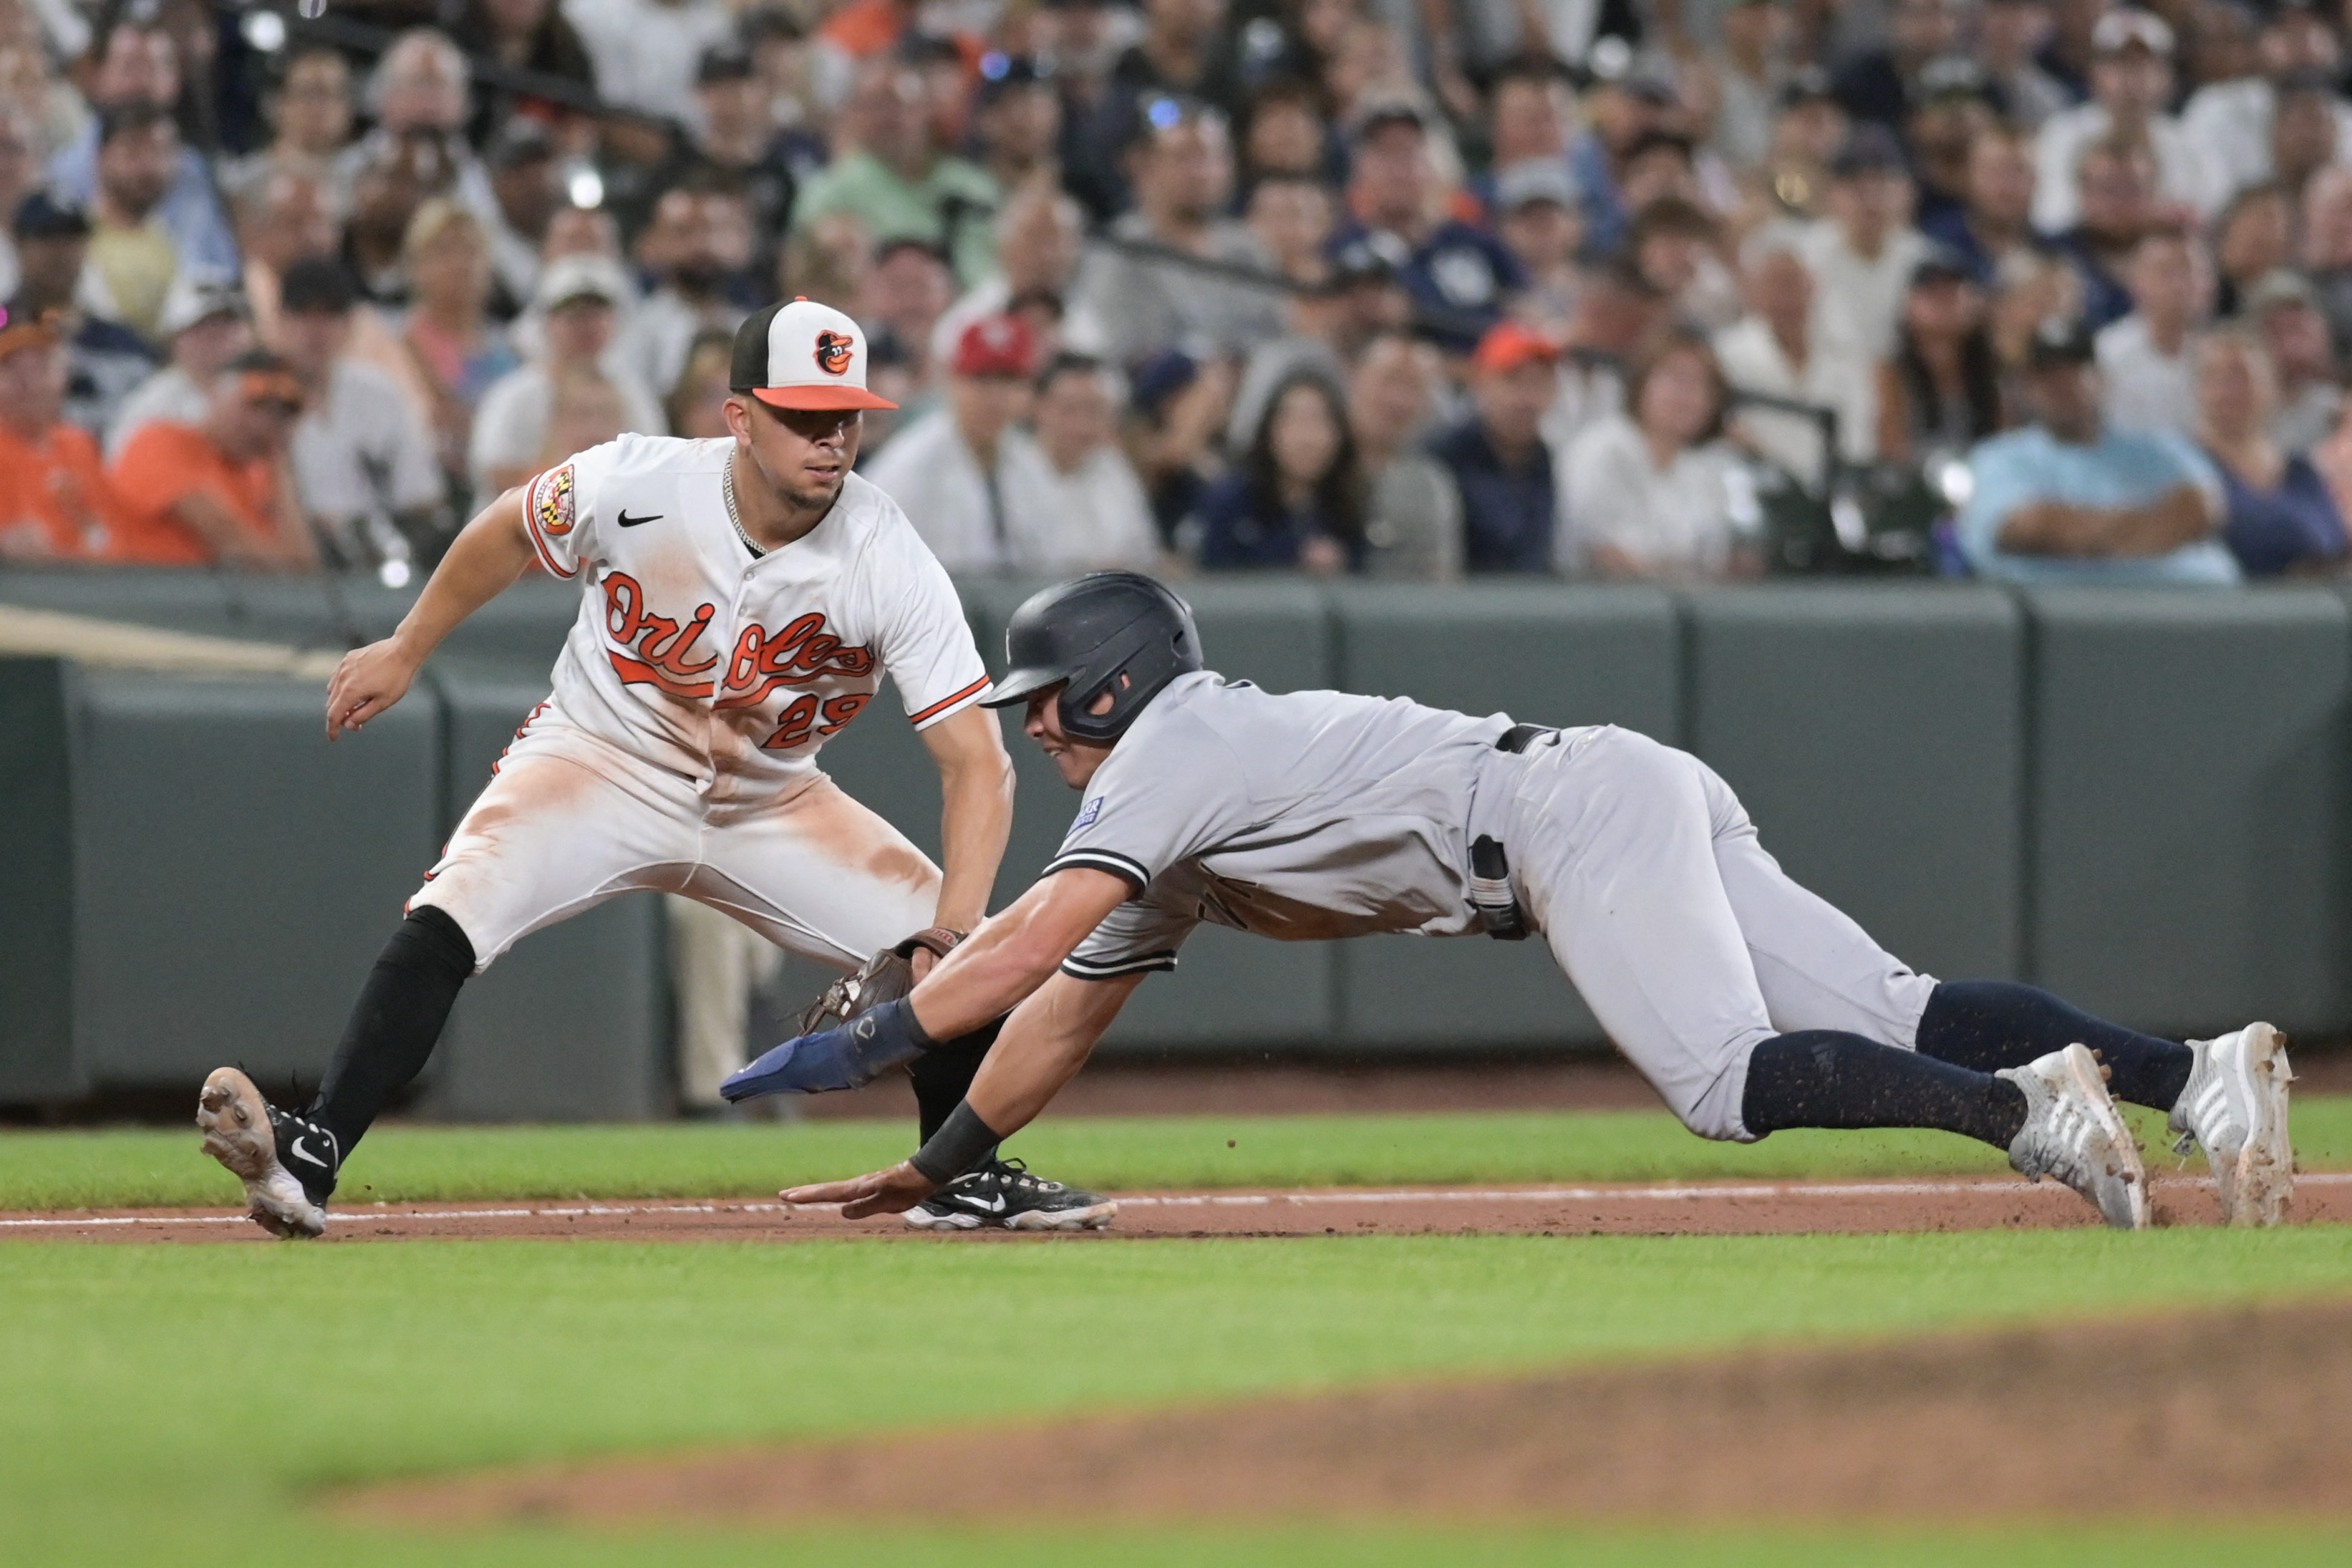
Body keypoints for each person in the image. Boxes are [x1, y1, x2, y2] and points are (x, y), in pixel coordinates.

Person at [750, 571, 2297, 1237]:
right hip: (1600, 788)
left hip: (1559, 820)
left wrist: (861, 1045)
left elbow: (1015, 941)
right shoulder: (1171, 801)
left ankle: (2022, 1114)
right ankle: (2189, 1076)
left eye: (1045, 703)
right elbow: (1062, 1007)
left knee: (1719, 1082)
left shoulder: (1172, 747)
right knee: (1887, 1012)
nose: (1031, 728)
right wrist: (939, 1159)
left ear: (1113, 684)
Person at [193, 298, 1111, 1241]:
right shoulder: (638, 480)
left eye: (846, 417)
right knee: (455, 909)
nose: (830, 440)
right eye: (803, 416)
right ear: (741, 416)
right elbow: (509, 527)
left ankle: (960, 1176)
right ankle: (314, 1156)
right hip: (600, 758)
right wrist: (407, 643)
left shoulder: (886, 556)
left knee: (981, 960)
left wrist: (950, 937)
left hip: (770, 798)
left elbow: (978, 765)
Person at [1957, 316, 2238, 584]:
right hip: (2061, 618)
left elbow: (2202, 510)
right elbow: (2025, 528)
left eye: (2075, 372)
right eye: (2047, 377)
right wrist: (2153, 529)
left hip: (2182, 613)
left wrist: (2084, 539)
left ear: (2102, 379)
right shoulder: (2000, 457)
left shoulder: (2158, 448)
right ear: (2028, 387)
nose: (2062, 386)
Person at [1069, 97, 1284, 366]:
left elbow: (1274, 336)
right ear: (1146, 166)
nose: (1201, 172)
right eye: (1185, 157)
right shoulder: (1120, 250)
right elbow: (1118, 348)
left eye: (1213, 157)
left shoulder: (1247, 249)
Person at [274, 257, 450, 574]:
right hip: (291, 560)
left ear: (349, 324)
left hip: (378, 556)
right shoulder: (256, 397)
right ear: (281, 322)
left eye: (329, 315)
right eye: (303, 315)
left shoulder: (379, 394)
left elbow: (422, 498)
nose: (316, 330)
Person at [1326, 102, 1524, 355]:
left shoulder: (1473, 240)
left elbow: (1527, 304)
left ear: (1431, 166)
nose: (1398, 170)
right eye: (1385, 154)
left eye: (1409, 154)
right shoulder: (1344, 247)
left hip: (1491, 379)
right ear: (1360, 168)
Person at [791, 58, 1000, 291]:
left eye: (899, 104)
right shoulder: (831, 192)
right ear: (855, 115)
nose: (888, 118)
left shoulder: (972, 185)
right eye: (874, 106)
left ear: (926, 109)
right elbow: (807, 279)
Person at [472, 253, 665, 504]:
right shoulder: (514, 394)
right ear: (547, 321)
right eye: (574, 314)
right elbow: (495, 475)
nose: (587, 325)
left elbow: (656, 470)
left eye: (597, 314)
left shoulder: (633, 392)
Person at [1562, 329, 1748, 581]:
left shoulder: (1707, 467)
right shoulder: (1604, 448)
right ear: (1642, 383)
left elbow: (1717, 559)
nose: (1686, 395)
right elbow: (1605, 554)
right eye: (1675, 378)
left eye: (1701, 384)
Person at [108, 349, 317, 571]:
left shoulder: (261, 478)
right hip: (149, 591)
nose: (264, 423)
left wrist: (280, 467)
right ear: (215, 394)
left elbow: (304, 573)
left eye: (283, 414)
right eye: (254, 405)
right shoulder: (161, 441)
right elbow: (234, 543)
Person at [861, 313, 1040, 571]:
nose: (996, 397)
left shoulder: (1028, 460)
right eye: (982, 379)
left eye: (1009, 381)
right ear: (953, 382)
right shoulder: (913, 466)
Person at [2031, 10, 2227, 235]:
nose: (2131, 78)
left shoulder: (2190, 144)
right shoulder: (2062, 134)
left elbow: (2210, 219)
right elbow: (2050, 217)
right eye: (2118, 64)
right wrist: (2142, 217)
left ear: (2166, 77)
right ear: (2094, 73)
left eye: (2143, 65)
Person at [1714, 230, 1877, 487]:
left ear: (1813, 286)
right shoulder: (1725, 356)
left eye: (1792, 283)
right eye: (1772, 285)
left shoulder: (1845, 354)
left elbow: (1859, 436)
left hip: (1838, 493)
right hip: (1761, 489)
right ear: (1751, 291)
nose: (1784, 298)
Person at [2194, 328, 2348, 577]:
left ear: (2271, 387)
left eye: (2242, 377)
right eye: (2216, 378)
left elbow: (2334, 543)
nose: (2229, 390)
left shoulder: (2301, 471)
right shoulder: (2185, 466)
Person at [4, 190, 153, 437]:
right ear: (18, 245)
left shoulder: (125, 343)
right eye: (47, 237)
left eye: (72, 239)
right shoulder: (3, 322)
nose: (61, 252)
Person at [997, 353, 1161, 572]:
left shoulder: (1112, 467)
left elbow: (1145, 551)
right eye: (1070, 410)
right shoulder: (1006, 470)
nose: (1082, 425)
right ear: (1038, 407)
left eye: (1094, 410)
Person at [1191, 369, 1365, 574]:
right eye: (1295, 421)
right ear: (1270, 430)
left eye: (1320, 421)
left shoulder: (1348, 509)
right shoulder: (1230, 501)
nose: (1308, 439)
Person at [400, 200, 521, 482]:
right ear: (416, 267)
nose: (459, 263)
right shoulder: (403, 347)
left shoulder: (512, 347)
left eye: (471, 250)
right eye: (443, 251)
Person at [1427, 319, 1557, 574]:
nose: (1528, 398)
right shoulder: (1443, 455)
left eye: (1541, 383)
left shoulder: (1543, 457)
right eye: (1514, 381)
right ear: (1481, 383)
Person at [1797, 125, 1929, 365]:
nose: (1871, 198)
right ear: (1831, 194)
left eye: (1883, 184)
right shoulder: (1803, 256)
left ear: (1909, 193)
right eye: (1856, 186)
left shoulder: (1926, 262)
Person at [0, 306, 124, 561]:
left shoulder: (79, 444)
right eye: (12, 370)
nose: (30, 384)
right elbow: (25, 552)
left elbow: (114, 531)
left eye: (41, 369)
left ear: (62, 377)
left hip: (104, 585)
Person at [1347, 329, 1460, 581]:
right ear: (1355, 377)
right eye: (1389, 381)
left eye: (1414, 387)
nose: (1398, 401)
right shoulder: (1318, 464)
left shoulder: (1431, 483)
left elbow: (1441, 578)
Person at [1877, 250, 2005, 465]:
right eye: (1932, 292)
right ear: (1908, 308)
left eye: (1954, 291)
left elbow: (2006, 442)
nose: (1946, 300)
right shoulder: (1890, 374)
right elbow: (1891, 449)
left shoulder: (1993, 372)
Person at [105, 276, 251, 458]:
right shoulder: (151, 406)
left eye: (226, 324)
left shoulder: (259, 390)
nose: (216, 335)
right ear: (174, 340)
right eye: (202, 327)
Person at [81, 102, 186, 342]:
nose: (148, 167)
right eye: (132, 153)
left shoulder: (173, 239)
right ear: (100, 158)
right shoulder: (73, 236)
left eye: (160, 151)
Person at [2095, 226, 2210, 438]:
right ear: (2135, 280)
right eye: (2166, 272)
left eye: (2190, 271)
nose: (2179, 285)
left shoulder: (2217, 354)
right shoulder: (2106, 354)